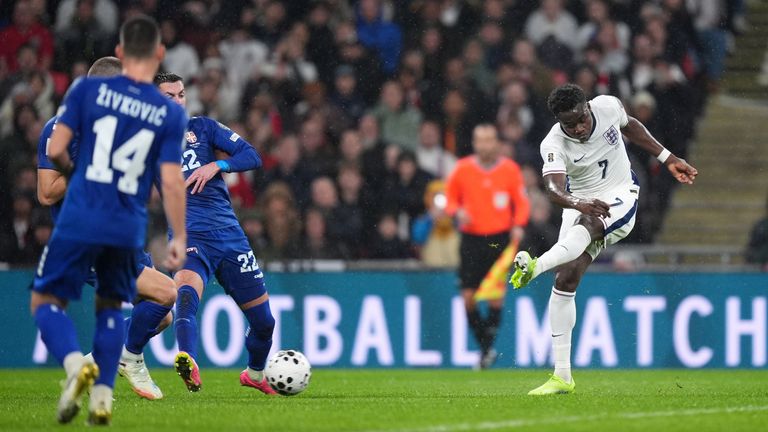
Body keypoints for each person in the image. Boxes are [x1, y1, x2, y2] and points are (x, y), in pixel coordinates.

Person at [30, 15, 187, 425]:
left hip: (91, 230)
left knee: (154, 309)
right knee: (152, 301)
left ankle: (81, 367)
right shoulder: (154, 118)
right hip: (114, 230)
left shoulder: (72, 112)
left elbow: (50, 180)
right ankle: (106, 378)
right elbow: (47, 192)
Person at [510, 83, 698, 395]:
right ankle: (562, 376)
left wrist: (667, 157)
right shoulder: (553, 143)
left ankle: (535, 266)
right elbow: (553, 189)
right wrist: (577, 202)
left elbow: (630, 126)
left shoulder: (608, 106)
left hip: (620, 195)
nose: (579, 128)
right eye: (570, 124)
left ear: (588, 106)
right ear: (559, 121)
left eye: (581, 118)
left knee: (588, 224)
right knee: (566, 278)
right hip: (578, 201)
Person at [154, 72, 276, 395]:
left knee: (265, 323)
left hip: (230, 236)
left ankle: (254, 374)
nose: (178, 101)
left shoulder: (203, 128)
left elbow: (252, 156)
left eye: (181, 95)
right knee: (185, 295)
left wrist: (218, 166)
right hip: (189, 235)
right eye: (169, 96)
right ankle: (188, 360)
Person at [444, 124, 530, 369]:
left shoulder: (510, 170)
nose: (484, 145)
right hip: (471, 240)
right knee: (468, 297)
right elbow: (449, 199)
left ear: (497, 143)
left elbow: (521, 202)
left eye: (489, 140)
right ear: (474, 143)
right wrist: (457, 212)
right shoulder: (462, 169)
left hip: (498, 240)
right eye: (480, 140)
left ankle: (485, 352)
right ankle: (486, 349)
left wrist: (518, 224)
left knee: (495, 298)